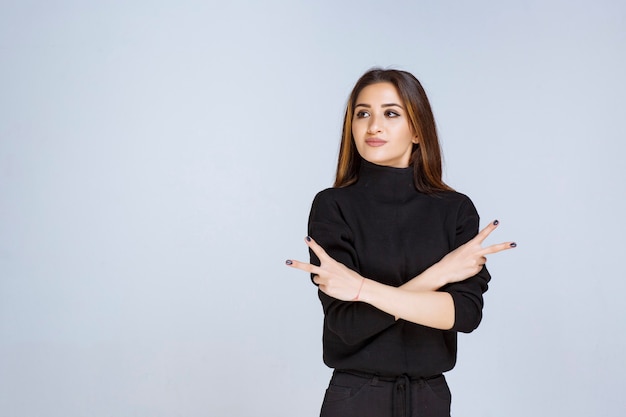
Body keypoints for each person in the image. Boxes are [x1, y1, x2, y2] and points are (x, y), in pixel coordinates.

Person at [285, 68, 516, 417]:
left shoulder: (455, 209)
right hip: (355, 396)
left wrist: (361, 289)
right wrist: (439, 274)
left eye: (391, 113)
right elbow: (348, 326)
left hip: (430, 398)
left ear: (419, 130)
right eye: (362, 113)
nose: (373, 126)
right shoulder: (333, 205)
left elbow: (464, 315)